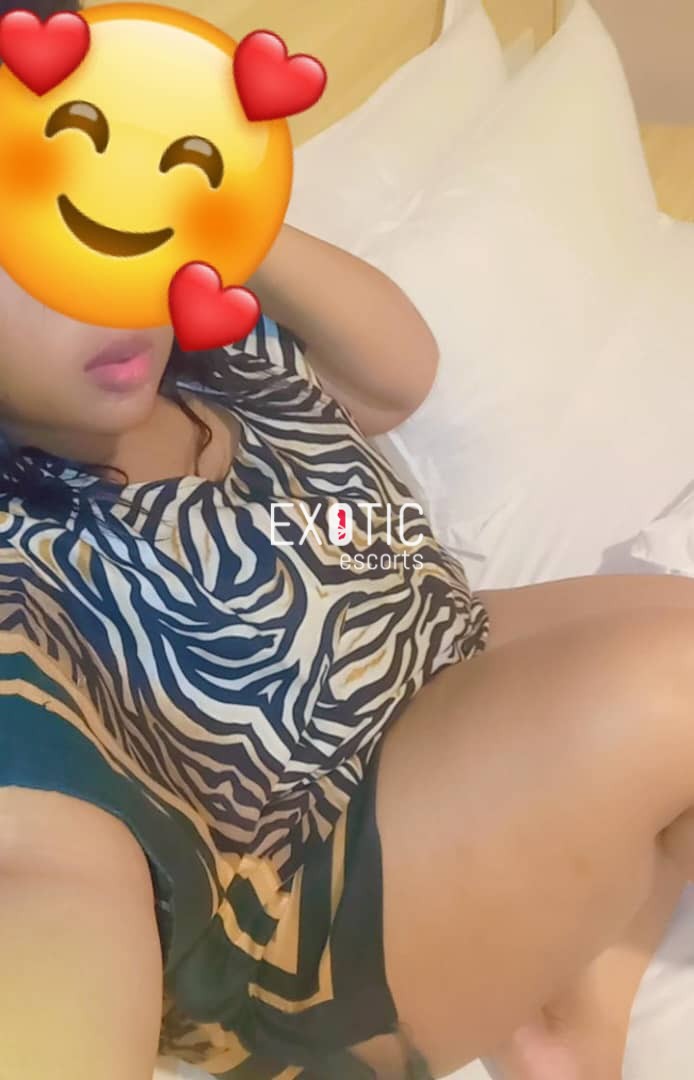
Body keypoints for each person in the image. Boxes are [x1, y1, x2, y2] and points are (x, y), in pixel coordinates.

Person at [3, 4, 694, 1079]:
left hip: (436, 665)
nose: (116, 268)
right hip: (325, 905)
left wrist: (233, 215)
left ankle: (575, 1005)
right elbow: (44, 882)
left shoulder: (224, 355)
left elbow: (398, 373)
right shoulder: (28, 551)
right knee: (674, 682)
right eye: (37, 240)